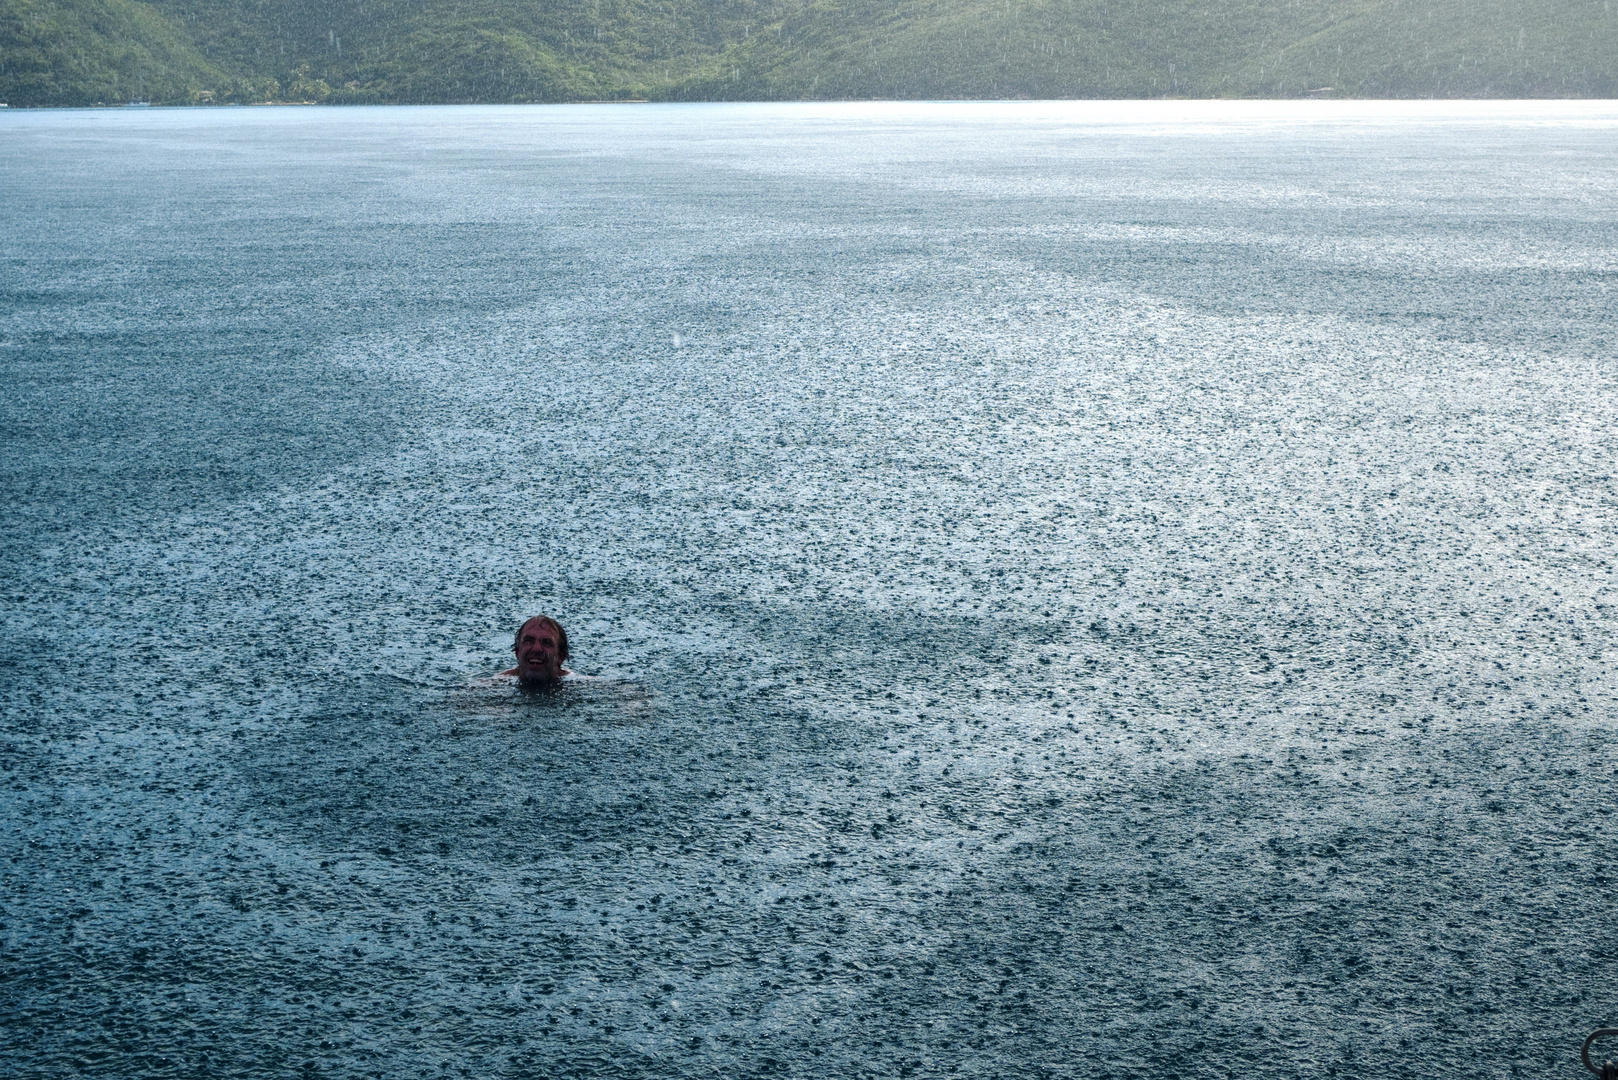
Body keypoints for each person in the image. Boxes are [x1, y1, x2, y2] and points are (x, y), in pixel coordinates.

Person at [500, 615, 572, 686]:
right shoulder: (496, 685)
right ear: (517, 652)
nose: (536, 649)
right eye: (528, 641)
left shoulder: (576, 685)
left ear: (560, 656)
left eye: (546, 642)